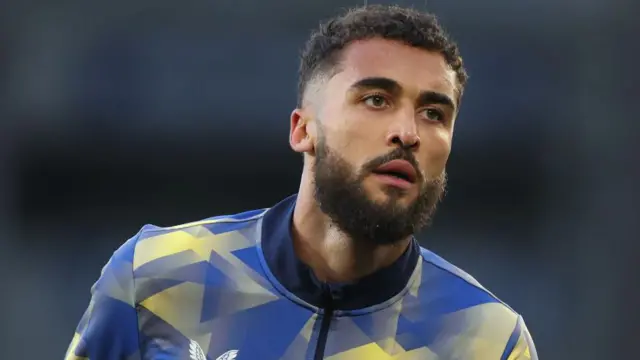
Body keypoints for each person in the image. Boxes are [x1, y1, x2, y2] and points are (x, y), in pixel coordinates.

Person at [65, 5, 537, 360]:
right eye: (376, 99)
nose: (408, 133)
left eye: (434, 113)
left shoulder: (488, 340)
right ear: (302, 129)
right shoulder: (156, 276)